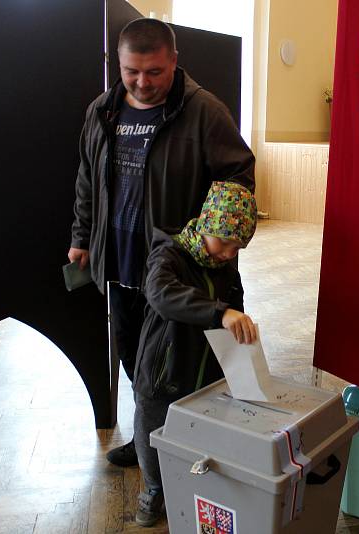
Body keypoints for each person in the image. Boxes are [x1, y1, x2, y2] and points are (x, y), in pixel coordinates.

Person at [67, 18, 255, 468]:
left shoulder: (205, 111)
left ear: (174, 62)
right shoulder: (102, 111)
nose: (142, 82)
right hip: (119, 261)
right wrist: (81, 236)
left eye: (154, 71)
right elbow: (87, 178)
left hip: (177, 267)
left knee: (172, 369)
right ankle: (148, 437)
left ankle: (180, 444)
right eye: (132, 71)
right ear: (118, 63)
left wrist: (211, 241)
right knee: (134, 358)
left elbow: (238, 180)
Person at [131, 181, 258, 527]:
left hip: (206, 367)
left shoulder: (225, 264)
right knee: (151, 424)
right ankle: (154, 489)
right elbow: (161, 294)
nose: (230, 253)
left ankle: (192, 483)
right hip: (162, 366)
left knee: (199, 427)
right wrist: (220, 313)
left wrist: (242, 332)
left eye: (239, 247)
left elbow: (235, 303)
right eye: (226, 243)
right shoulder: (168, 254)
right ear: (207, 226)